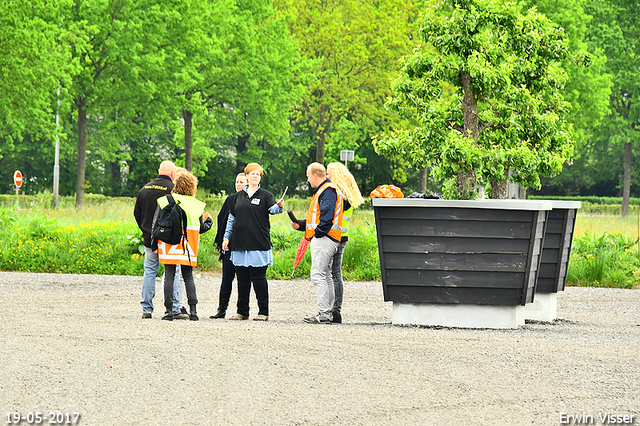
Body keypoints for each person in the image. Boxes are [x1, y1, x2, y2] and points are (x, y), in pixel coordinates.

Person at [221, 163, 285, 321]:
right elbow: (231, 219)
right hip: (239, 243)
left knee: (258, 279)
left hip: (258, 243)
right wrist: (226, 237)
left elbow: (273, 210)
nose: (255, 176)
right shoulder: (237, 197)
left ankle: (263, 312)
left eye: (258, 174)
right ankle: (242, 311)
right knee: (242, 279)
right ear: (247, 176)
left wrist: (280, 207)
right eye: (253, 174)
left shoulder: (266, 195)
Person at [154, 171, 212, 321]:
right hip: (189, 245)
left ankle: (169, 312)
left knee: (169, 276)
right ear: (193, 186)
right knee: (188, 277)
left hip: (169, 244)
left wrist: (154, 243)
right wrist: (209, 223)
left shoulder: (165, 200)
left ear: (176, 184)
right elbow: (200, 228)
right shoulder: (197, 205)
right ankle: (193, 311)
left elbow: (157, 224)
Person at [291, 162, 344, 324]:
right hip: (331, 238)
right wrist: (301, 225)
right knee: (326, 276)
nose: (308, 180)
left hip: (324, 238)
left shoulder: (326, 191)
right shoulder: (328, 190)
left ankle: (324, 314)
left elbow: (325, 219)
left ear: (315, 175)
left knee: (318, 275)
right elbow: (318, 218)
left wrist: (317, 234)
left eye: (308, 176)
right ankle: (327, 313)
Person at [133, 160, 182, 319]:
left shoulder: (144, 189)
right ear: (173, 174)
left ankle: (146, 309)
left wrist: (146, 231)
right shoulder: (173, 190)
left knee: (149, 272)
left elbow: (137, 215)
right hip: (168, 240)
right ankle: (173, 307)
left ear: (159, 171)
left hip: (149, 240)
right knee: (172, 273)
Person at [326, 162, 364, 324]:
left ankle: (336, 311)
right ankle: (333, 310)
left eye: (328, 173)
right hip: (340, 236)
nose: (326, 177)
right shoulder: (346, 195)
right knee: (334, 274)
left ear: (336, 175)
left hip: (337, 237)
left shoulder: (341, 196)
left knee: (334, 274)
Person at [210, 173, 248, 319]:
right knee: (226, 278)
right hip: (229, 244)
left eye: (241, 182)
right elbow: (222, 220)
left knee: (243, 279)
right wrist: (220, 242)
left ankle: (242, 310)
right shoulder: (231, 199)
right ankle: (221, 309)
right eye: (237, 182)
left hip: (243, 244)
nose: (238, 184)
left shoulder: (249, 199)